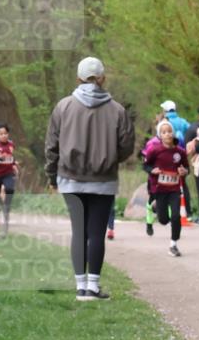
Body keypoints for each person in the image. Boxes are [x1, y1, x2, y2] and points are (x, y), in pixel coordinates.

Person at [45, 56, 134, 300]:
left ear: (78, 78)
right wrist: (111, 157)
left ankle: (80, 286)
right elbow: (127, 145)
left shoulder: (63, 107)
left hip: (70, 178)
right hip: (104, 180)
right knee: (96, 232)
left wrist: (52, 176)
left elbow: (52, 146)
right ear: (103, 79)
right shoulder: (117, 110)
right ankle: (93, 287)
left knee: (79, 231)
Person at [144, 119, 187, 256]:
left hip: (174, 189)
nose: (167, 134)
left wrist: (184, 171)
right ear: (160, 135)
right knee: (163, 220)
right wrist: (152, 170)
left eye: (169, 131)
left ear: (173, 133)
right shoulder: (154, 150)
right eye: (164, 132)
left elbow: (186, 168)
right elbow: (145, 165)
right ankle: (156, 207)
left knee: (176, 216)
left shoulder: (180, 152)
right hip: (160, 189)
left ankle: (173, 244)